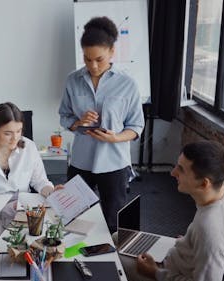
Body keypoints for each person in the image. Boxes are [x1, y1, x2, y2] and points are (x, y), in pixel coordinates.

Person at [58, 16, 144, 232]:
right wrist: (79, 122)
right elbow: (65, 117)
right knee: (72, 216)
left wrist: (115, 137)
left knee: (113, 222)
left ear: (112, 52)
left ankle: (113, 263)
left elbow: (136, 127)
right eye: (87, 59)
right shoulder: (73, 80)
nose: (93, 65)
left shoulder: (128, 84)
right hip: (81, 160)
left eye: (99, 59)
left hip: (114, 163)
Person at [120, 140, 224, 281]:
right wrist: (191, 241)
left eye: (181, 169)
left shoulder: (210, 230)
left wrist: (154, 272)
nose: (172, 172)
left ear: (203, 183)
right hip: (189, 254)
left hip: (171, 271)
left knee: (113, 255)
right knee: (119, 237)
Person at [0, 102, 63, 200]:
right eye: (7, 133)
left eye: (18, 131)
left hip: (22, 206)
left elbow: (40, 181)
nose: (15, 138)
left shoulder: (29, 146)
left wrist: (52, 193)